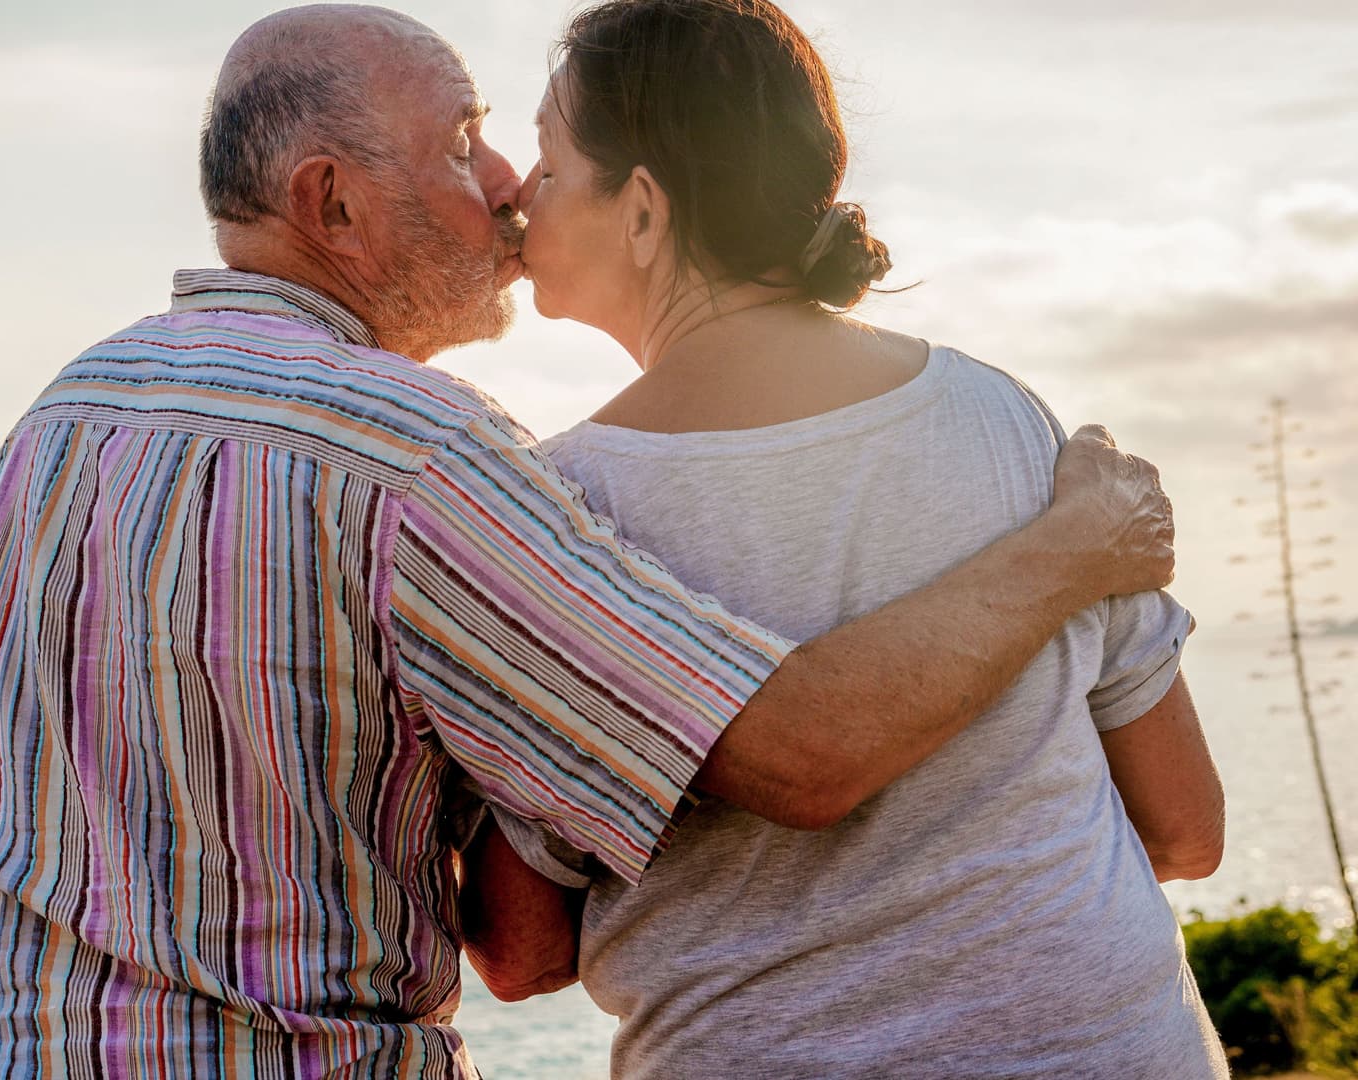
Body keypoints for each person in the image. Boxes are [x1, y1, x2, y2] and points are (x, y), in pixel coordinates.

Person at [0, 5, 1177, 1077]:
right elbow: (794, 753)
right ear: (330, 202)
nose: (505, 188)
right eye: (461, 146)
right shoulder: (415, 449)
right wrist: (1075, 543)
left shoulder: (74, 406)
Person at [456, 1, 1228, 1077]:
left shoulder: (564, 506)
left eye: (546, 161)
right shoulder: (1004, 418)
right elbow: (1187, 829)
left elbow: (522, 949)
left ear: (642, 210)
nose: (519, 198)